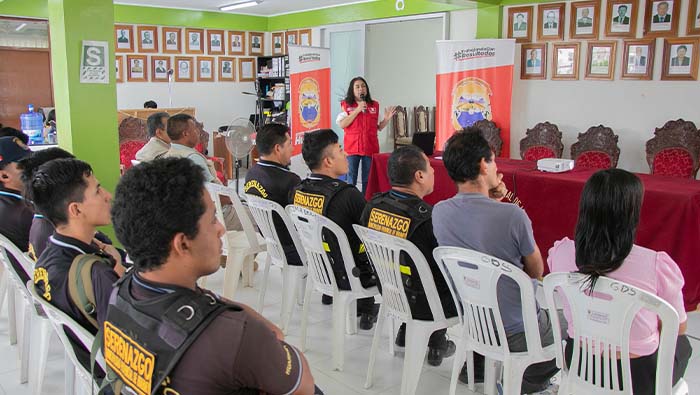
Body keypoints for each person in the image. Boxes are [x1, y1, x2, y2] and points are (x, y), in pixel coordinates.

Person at [105, 157, 318, 395]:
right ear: (183, 244)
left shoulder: (120, 292)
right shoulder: (232, 336)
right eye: (212, 219)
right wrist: (267, 340)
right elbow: (304, 386)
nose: (221, 229)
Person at [432, 130, 561, 393]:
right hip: (518, 331)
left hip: (476, 323)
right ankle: (529, 383)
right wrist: (504, 202)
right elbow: (537, 270)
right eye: (493, 161)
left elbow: (480, 227)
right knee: (571, 327)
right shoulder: (513, 215)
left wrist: (495, 200)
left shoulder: (440, 212)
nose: (497, 167)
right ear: (482, 165)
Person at [548, 169, 692, 395]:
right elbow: (677, 327)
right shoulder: (656, 265)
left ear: (585, 208)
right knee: (684, 345)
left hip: (580, 362)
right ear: (632, 213)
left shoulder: (561, 252)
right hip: (638, 377)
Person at [361, 145, 457, 366]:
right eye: (430, 168)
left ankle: (407, 330)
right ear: (419, 176)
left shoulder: (373, 206)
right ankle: (439, 343)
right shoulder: (429, 219)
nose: (434, 172)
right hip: (425, 303)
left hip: (390, 291)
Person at [30, 158, 125, 368]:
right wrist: (119, 277)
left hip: (82, 356)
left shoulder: (49, 253)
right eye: (98, 191)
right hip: (106, 367)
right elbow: (124, 347)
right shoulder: (98, 274)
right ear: (76, 210)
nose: (108, 196)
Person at [292, 129, 379, 329]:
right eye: (340, 150)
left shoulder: (297, 191)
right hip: (349, 275)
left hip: (319, 268)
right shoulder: (348, 195)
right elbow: (372, 232)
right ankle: (366, 304)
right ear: (328, 161)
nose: (346, 154)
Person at [244, 123, 302, 265]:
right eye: (289, 144)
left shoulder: (251, 173)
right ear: (278, 148)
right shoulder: (290, 180)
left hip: (268, 239)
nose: (292, 148)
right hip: (292, 248)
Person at [336, 77, 395, 195]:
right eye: (357, 87)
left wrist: (386, 120)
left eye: (363, 86)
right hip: (352, 147)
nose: (360, 89)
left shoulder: (374, 105)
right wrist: (357, 110)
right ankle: (350, 200)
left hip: (370, 146)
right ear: (352, 90)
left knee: (367, 178)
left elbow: (377, 127)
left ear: (366, 89)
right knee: (351, 178)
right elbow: (343, 124)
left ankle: (365, 201)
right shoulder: (346, 105)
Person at [0, 136, 33, 283]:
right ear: (4, 175)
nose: (34, 168)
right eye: (25, 164)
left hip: (14, 283)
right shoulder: (24, 212)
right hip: (36, 283)